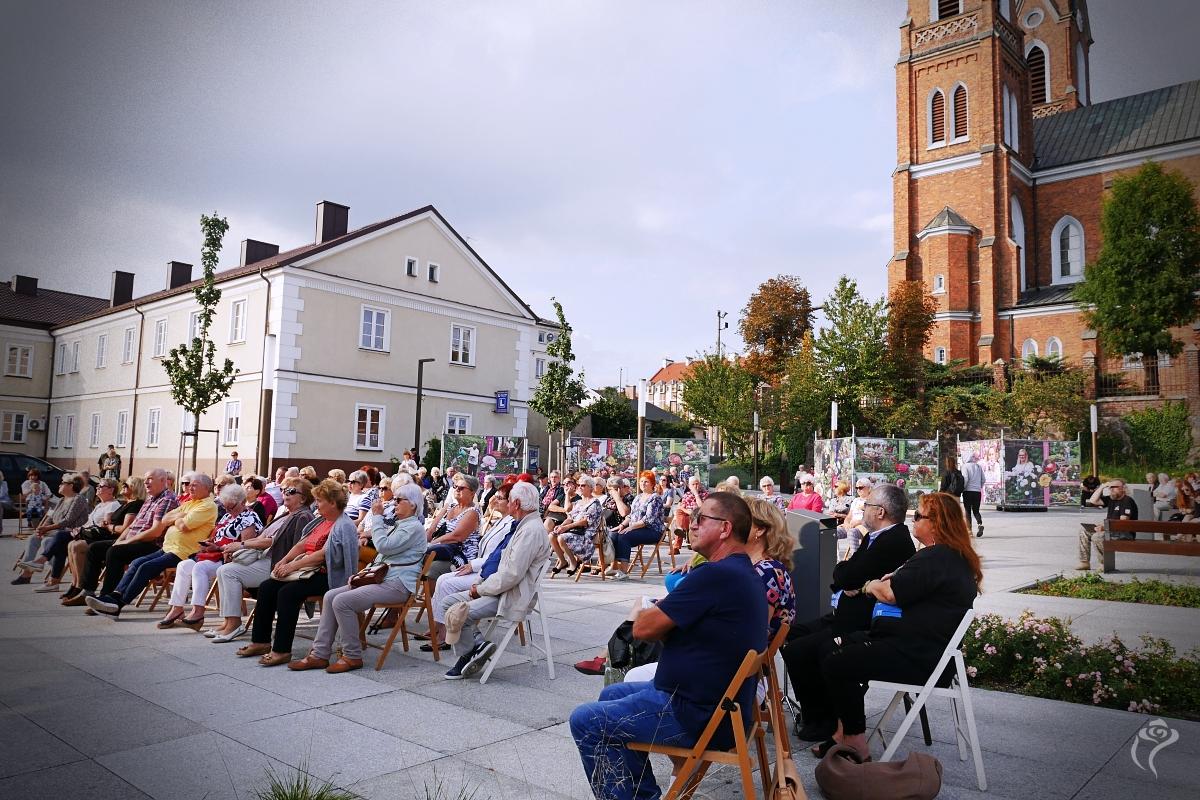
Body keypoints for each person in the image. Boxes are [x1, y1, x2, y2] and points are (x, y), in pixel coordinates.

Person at [569, 492, 767, 800]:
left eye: (701, 519)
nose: (691, 525)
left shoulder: (716, 574)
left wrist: (665, 616)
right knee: (611, 692)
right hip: (712, 704)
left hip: (697, 714)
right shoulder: (741, 572)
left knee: (586, 721)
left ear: (725, 528)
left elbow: (643, 627)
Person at [815, 491, 983, 761]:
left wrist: (869, 585)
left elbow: (889, 591)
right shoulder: (948, 557)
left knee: (836, 660)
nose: (912, 520)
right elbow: (898, 585)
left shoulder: (937, 557)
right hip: (924, 650)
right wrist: (886, 583)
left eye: (918, 516)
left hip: (918, 656)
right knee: (829, 647)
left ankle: (855, 741)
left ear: (936, 524)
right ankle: (842, 732)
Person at [782, 483, 916, 742]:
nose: (863, 509)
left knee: (799, 648)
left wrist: (848, 578)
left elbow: (849, 574)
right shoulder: (875, 536)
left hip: (860, 624)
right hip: (845, 615)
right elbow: (844, 573)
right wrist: (847, 577)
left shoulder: (893, 540)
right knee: (790, 633)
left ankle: (822, 718)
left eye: (867, 505)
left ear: (880, 512)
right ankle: (818, 710)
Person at [290, 482, 428, 673]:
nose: (394, 503)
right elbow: (381, 556)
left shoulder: (413, 527)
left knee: (342, 601)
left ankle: (352, 655)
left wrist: (378, 517)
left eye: (398, 500)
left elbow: (383, 546)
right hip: (383, 580)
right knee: (331, 596)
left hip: (398, 585)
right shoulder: (400, 524)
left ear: (412, 504)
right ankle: (319, 654)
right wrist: (361, 575)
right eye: (394, 499)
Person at [236, 478, 358, 665]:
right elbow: (302, 544)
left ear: (332, 503)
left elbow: (323, 555)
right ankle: (260, 641)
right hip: (306, 569)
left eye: (320, 501)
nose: (316, 505)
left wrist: (291, 566)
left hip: (328, 575)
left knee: (288, 593)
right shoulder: (322, 521)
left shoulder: (343, 525)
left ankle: (282, 650)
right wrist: (284, 560)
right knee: (268, 587)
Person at [440, 481, 552, 679]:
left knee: (458, 612)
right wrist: (483, 585)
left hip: (510, 595)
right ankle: (477, 645)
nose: (506, 504)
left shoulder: (531, 530)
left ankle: (469, 653)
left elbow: (511, 575)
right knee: (447, 602)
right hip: (501, 589)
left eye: (508, 500)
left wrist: (481, 589)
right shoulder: (524, 525)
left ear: (516, 503)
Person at [86, 473, 218, 618]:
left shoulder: (208, 505)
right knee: (136, 562)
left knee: (145, 567)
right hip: (169, 547)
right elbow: (164, 519)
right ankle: (114, 596)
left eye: (194, 485)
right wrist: (178, 517)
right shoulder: (189, 503)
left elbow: (184, 526)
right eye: (189, 484)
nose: (189, 488)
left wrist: (177, 519)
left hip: (184, 552)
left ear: (206, 487)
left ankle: (119, 604)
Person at [209, 477, 315, 642]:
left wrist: (241, 545)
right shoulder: (287, 514)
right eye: (284, 490)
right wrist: (236, 546)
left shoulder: (303, 516)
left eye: (292, 491)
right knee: (224, 570)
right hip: (267, 558)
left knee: (228, 572)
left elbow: (284, 544)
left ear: (303, 498)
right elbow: (266, 537)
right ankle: (229, 621)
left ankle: (234, 624)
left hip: (278, 563)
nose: (286, 493)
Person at [159, 482, 262, 631]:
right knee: (183, 565)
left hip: (232, 560)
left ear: (242, 502)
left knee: (200, 568)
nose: (227, 510)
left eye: (230, 507)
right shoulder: (228, 516)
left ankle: (198, 613)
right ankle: (177, 608)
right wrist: (209, 543)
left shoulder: (249, 518)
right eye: (225, 506)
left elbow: (246, 546)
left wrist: (218, 548)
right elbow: (217, 536)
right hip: (215, 555)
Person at [71, 469, 177, 607]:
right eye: (145, 479)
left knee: (115, 552)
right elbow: (133, 525)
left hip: (152, 545)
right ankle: (88, 591)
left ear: (163, 481)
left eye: (150, 479)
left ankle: (106, 597)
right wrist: (119, 540)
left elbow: (156, 532)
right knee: (95, 548)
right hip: (134, 540)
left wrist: (127, 541)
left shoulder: (167, 500)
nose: (145, 482)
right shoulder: (150, 499)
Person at [61, 477, 147, 604]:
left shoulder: (136, 504)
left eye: (126, 485)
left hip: (122, 539)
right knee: (86, 547)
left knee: (98, 549)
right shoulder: (126, 504)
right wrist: (108, 523)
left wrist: (109, 526)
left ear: (135, 488)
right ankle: (86, 590)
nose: (122, 486)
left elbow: (125, 528)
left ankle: (104, 596)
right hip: (114, 536)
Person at [12, 474, 91, 587]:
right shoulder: (61, 500)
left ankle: (51, 575)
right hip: (55, 531)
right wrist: (42, 528)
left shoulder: (79, 499)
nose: (59, 485)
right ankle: (27, 573)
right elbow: (50, 517)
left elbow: (68, 521)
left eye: (62, 483)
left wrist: (47, 529)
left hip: (69, 532)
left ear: (71, 485)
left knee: (46, 542)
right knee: (33, 538)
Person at [608, 471, 665, 581]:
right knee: (614, 534)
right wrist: (622, 525)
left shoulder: (655, 498)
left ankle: (623, 571)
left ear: (652, 484)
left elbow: (648, 520)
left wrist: (631, 527)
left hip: (652, 530)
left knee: (624, 536)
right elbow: (631, 515)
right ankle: (614, 567)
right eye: (642, 481)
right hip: (637, 528)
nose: (643, 484)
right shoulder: (638, 497)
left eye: (646, 482)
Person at [425, 474, 482, 582]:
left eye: (461, 488)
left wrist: (431, 545)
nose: (456, 489)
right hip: (438, 550)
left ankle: (432, 599)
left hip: (459, 555)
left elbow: (456, 536)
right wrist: (423, 544)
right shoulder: (448, 507)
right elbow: (432, 529)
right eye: (455, 486)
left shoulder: (472, 512)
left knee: (433, 569)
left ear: (472, 493)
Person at [1078, 479, 1137, 571]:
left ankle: (1104, 564)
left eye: (1115, 487)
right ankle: (1084, 562)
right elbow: (1093, 500)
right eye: (1110, 487)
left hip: (1124, 533)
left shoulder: (1127, 501)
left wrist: (1104, 528)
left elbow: (1123, 523)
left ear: (1123, 489)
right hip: (1111, 530)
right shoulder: (1111, 499)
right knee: (1084, 532)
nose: (1111, 489)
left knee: (1097, 536)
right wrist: (1102, 487)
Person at [550, 476, 603, 575]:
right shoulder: (579, 502)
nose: (579, 487)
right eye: (579, 485)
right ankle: (563, 561)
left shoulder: (595, 503)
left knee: (562, 538)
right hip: (574, 530)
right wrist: (561, 526)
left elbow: (585, 522)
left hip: (585, 534)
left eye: (583, 485)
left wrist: (566, 527)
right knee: (552, 535)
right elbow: (570, 517)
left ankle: (573, 562)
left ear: (591, 488)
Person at [673, 475, 707, 554]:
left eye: (697, 484)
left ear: (700, 484)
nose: (695, 486)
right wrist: (686, 510)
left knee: (691, 514)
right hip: (686, 517)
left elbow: (701, 508)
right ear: (689, 486)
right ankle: (680, 532)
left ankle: (677, 545)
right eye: (693, 484)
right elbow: (681, 507)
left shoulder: (704, 494)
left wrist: (696, 494)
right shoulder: (686, 495)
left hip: (698, 517)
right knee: (679, 511)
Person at [962, 452, 985, 537]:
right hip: (977, 492)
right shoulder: (978, 466)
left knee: (968, 511)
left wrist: (963, 488)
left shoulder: (965, 466)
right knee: (976, 510)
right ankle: (980, 524)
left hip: (968, 491)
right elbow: (983, 479)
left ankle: (969, 531)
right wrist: (979, 487)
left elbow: (965, 478)